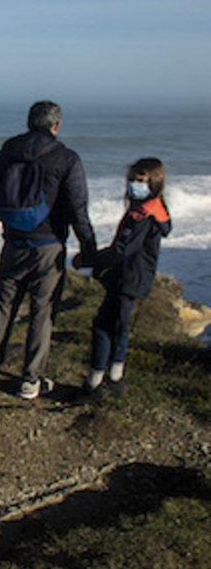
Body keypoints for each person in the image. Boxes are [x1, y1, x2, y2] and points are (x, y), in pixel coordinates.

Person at [0, 101, 98, 400]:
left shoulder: (9, 150)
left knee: (4, 308)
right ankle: (30, 380)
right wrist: (89, 249)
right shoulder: (66, 158)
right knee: (42, 313)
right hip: (50, 246)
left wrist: (14, 221)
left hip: (13, 243)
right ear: (56, 126)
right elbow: (78, 209)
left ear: (29, 122)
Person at [80, 158, 171, 400]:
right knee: (119, 326)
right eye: (131, 179)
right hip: (134, 276)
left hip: (128, 277)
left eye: (140, 180)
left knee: (104, 327)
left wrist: (91, 260)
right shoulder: (155, 208)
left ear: (154, 183)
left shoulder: (143, 214)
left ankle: (96, 382)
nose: (133, 184)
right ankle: (114, 377)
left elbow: (122, 250)